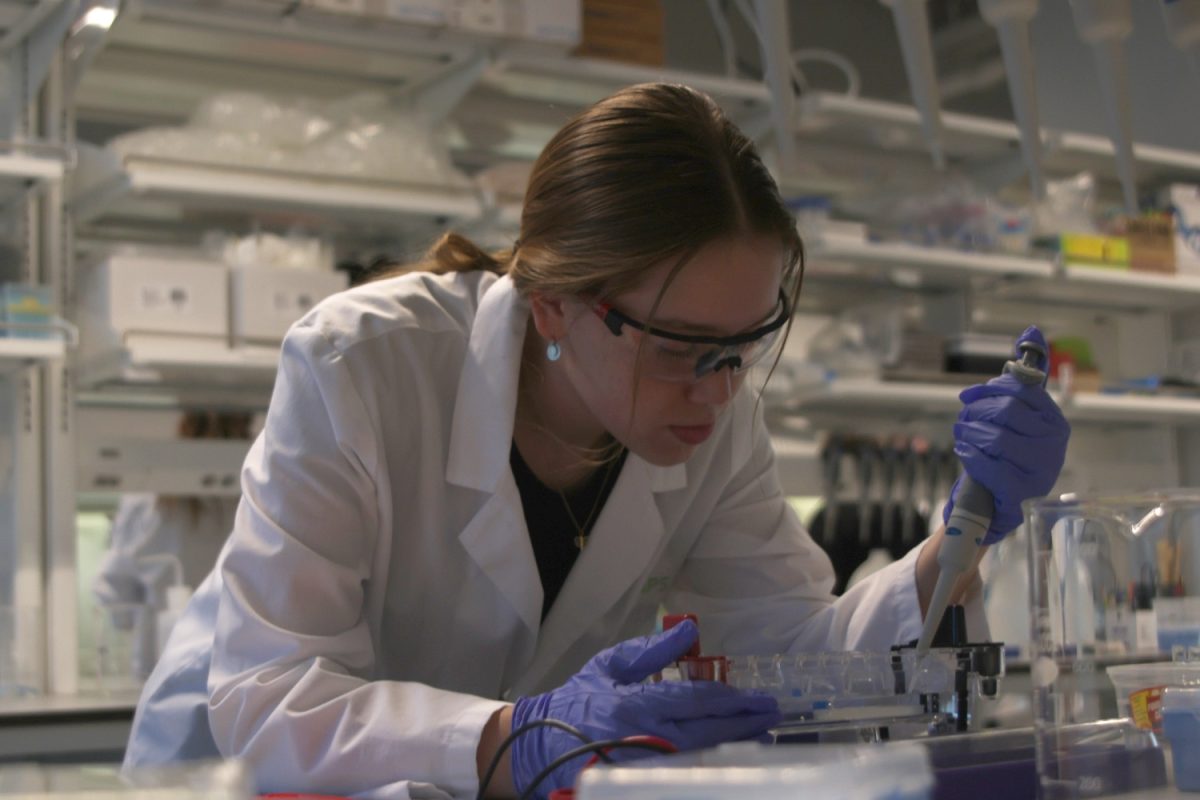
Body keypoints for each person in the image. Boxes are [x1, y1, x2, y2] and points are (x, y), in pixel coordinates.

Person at [123, 83, 1070, 800]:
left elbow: (787, 649)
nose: (723, 388)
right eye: (682, 347)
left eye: (746, 345)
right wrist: (510, 735)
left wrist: (960, 545)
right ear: (554, 307)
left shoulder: (715, 412)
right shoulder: (362, 363)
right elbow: (268, 694)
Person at [92, 411, 252, 674]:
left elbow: (116, 604)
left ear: (183, 422)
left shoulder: (146, 498)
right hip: (242, 682)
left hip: (160, 676)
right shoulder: (261, 495)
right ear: (248, 426)